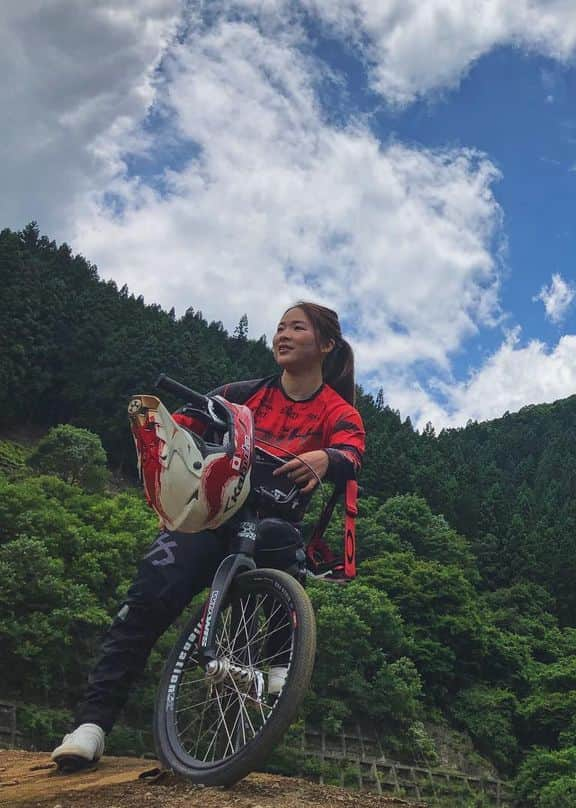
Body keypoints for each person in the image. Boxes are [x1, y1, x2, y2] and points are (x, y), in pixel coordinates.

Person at [51, 301, 365, 770]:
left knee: (284, 548)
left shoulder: (336, 411)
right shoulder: (242, 397)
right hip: (211, 516)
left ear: (325, 345)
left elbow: (352, 451)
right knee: (144, 602)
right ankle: (90, 726)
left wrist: (327, 459)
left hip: (273, 520)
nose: (283, 334)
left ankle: (280, 662)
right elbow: (182, 428)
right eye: (279, 326)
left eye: (297, 328)